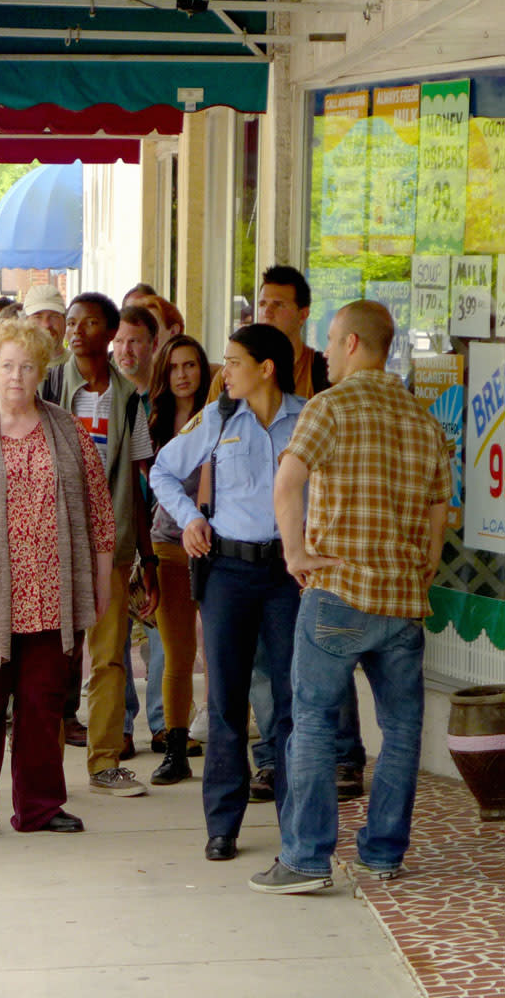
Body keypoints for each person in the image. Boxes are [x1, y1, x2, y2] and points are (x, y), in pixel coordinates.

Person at [250, 301, 451, 894]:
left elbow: (287, 483)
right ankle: (383, 852)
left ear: (356, 343)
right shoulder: (423, 418)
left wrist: (294, 555)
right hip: (401, 600)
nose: (326, 352)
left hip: (337, 590)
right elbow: (441, 505)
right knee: (402, 729)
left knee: (311, 723)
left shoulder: (328, 407)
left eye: (332, 342)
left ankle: (307, 861)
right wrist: (425, 564)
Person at [0, 319, 114, 839]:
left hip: (52, 597)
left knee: (42, 706)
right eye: (7, 365)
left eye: (27, 367)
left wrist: (99, 587)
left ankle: (39, 805)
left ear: (42, 372)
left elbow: (100, 515)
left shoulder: (68, 431)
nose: (15, 376)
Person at [208, 265, 362, 804]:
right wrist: (194, 517)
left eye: (277, 304)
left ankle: (342, 755)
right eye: (262, 302)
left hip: (316, 549)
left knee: (320, 656)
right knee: (256, 668)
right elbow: (200, 444)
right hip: (243, 555)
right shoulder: (237, 372)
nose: (265, 310)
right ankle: (272, 761)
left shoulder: (325, 374)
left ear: (302, 313)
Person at [151, 324, 305, 860]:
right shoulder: (216, 420)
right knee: (225, 702)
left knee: (290, 701)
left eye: (234, 361)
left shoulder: (308, 419)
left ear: (266, 368)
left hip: (289, 575)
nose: (225, 371)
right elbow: (164, 473)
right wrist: (191, 518)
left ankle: (297, 826)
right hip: (229, 574)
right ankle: (223, 825)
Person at [45, 292, 158, 797]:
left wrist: (146, 556)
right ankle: (40, 768)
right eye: (71, 321)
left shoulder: (129, 399)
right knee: (50, 657)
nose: (76, 329)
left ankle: (106, 761)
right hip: (50, 544)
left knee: (109, 657)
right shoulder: (48, 385)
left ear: (110, 333)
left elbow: (139, 478)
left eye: (90, 322)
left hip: (110, 546)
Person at [146, 334, 213, 785]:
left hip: (218, 548)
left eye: (191, 366)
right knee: (177, 654)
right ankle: (175, 746)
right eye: (174, 367)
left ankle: (226, 742)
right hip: (168, 544)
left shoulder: (223, 416)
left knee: (223, 653)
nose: (183, 375)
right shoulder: (151, 421)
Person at [112, 305, 166, 757]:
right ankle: (124, 725)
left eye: (136, 341)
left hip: (163, 529)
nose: (127, 350)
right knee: (118, 636)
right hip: (120, 532)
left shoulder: (167, 396)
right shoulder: (107, 395)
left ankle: (165, 722)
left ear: (153, 344)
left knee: (163, 629)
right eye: (121, 341)